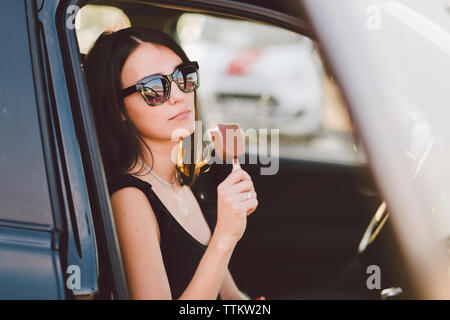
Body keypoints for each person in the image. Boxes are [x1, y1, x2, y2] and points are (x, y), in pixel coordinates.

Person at [84, 26, 261, 300]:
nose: (179, 95)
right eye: (155, 89)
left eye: (183, 77)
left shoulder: (179, 179)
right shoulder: (130, 199)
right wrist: (225, 237)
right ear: (118, 109)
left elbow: (231, 297)